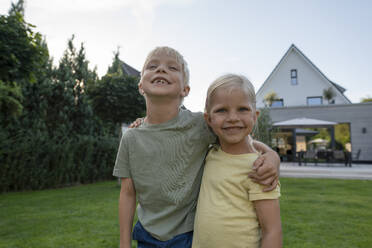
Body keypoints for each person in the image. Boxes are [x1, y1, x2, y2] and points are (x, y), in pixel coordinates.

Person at [113, 47, 280, 248]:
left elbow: (238, 136)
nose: (161, 70)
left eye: (172, 67)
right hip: (147, 235)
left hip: (189, 235)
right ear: (140, 85)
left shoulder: (201, 125)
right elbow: (128, 192)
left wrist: (271, 154)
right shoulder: (131, 137)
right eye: (153, 66)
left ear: (185, 90)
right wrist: (124, 243)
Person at [192, 74, 282, 248]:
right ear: (208, 119)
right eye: (221, 110)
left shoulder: (260, 169)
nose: (232, 117)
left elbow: (272, 231)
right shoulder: (210, 152)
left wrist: (272, 156)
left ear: (255, 116)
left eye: (242, 109)